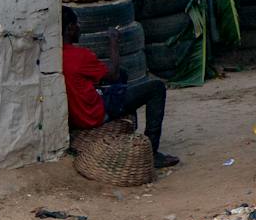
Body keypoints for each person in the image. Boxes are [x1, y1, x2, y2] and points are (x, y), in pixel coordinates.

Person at [63, 9, 178, 166]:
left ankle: (130, 129)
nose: (79, 28)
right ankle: (152, 153)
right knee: (156, 88)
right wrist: (113, 42)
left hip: (76, 116)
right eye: (77, 25)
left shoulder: (55, 57)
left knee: (121, 81)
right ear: (70, 28)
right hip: (93, 115)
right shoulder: (81, 55)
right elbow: (114, 74)